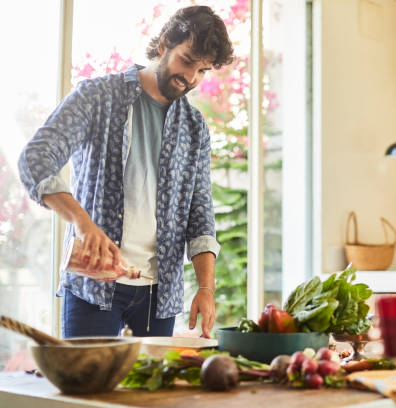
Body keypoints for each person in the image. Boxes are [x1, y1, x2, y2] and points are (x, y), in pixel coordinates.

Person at [18, 5, 234, 339]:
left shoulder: (195, 128)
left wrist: (206, 287)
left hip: (158, 296)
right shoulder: (97, 97)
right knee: (88, 391)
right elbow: (36, 158)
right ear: (164, 44)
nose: (191, 78)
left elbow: (200, 214)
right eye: (187, 61)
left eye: (203, 70)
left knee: (148, 392)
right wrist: (83, 223)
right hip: (94, 287)